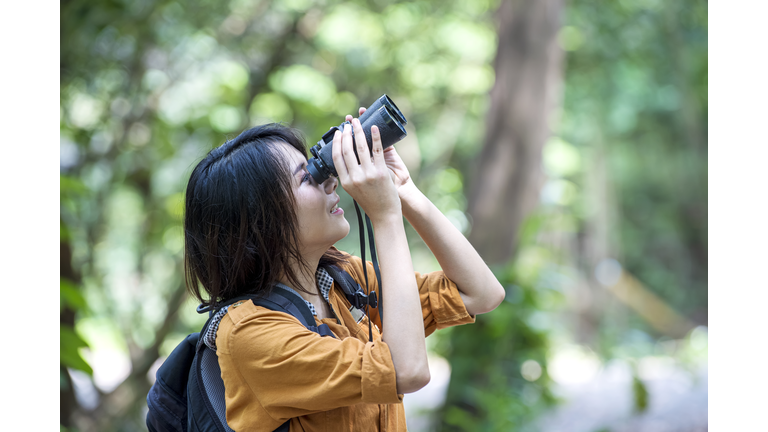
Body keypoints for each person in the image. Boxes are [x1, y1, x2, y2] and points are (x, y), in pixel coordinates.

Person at [183, 108, 505, 432]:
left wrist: (404, 190)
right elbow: (407, 371)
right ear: (262, 223)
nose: (330, 180)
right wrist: (386, 217)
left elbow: (480, 292)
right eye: (307, 177)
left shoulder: (342, 280)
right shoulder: (250, 333)